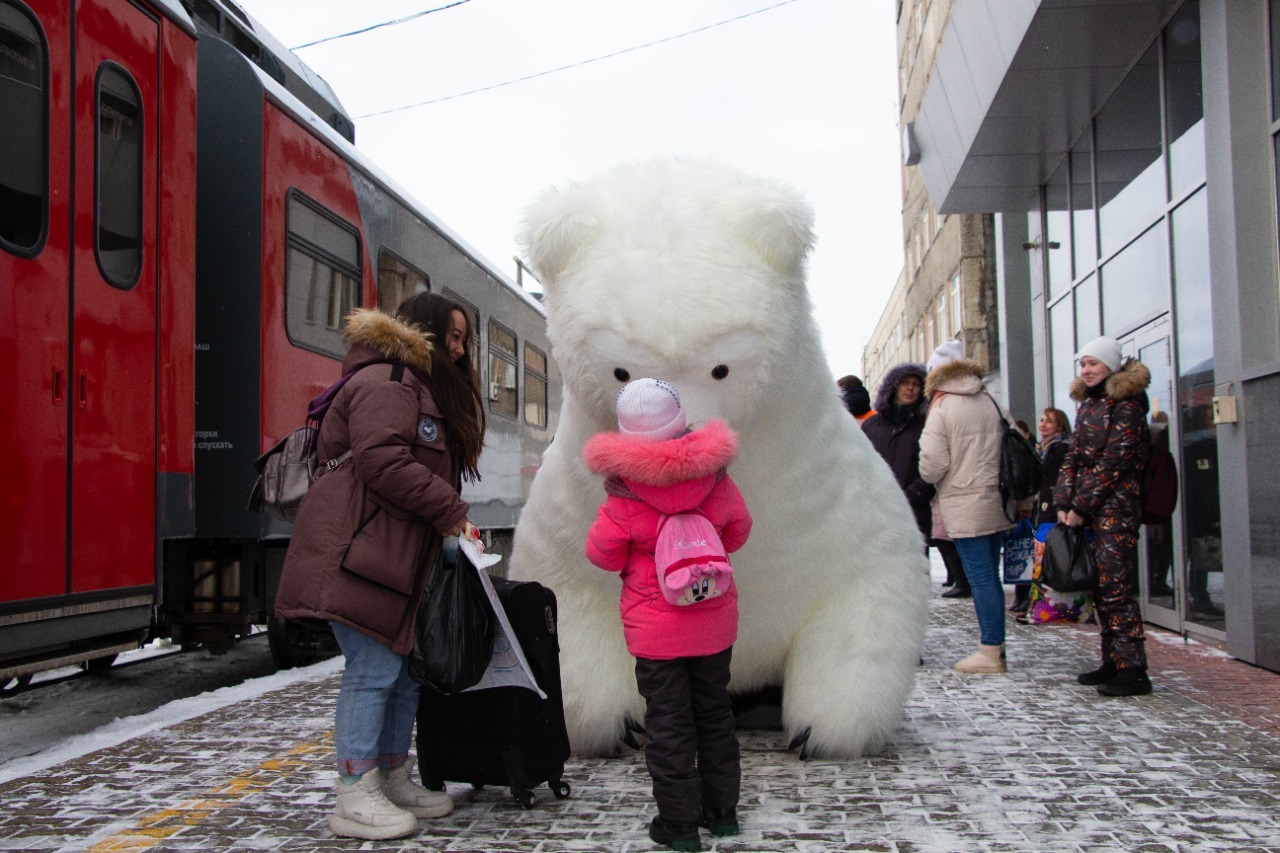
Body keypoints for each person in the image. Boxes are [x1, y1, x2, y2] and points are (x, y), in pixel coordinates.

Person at [275, 292, 487, 840]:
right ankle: (354, 791)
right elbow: (381, 459)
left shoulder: (413, 386)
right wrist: (451, 512)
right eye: (452, 338)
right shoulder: (388, 382)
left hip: (386, 557)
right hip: (358, 555)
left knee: (401, 673)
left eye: (465, 341)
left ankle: (392, 775)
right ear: (424, 332)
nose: (460, 353)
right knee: (373, 672)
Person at [583, 378, 753, 852]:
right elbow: (738, 531)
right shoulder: (716, 477)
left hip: (656, 630)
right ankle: (721, 813)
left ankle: (678, 825)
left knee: (669, 722)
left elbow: (601, 554)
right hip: (713, 619)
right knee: (715, 713)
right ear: (679, 423)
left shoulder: (625, 494)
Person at [1054, 336, 1153, 697]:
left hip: (1117, 510)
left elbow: (1114, 463)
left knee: (1116, 589)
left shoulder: (1126, 407)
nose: (1087, 370)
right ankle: (1112, 660)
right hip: (1088, 511)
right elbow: (1073, 458)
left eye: (1093, 363)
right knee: (1101, 588)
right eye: (1083, 364)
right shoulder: (1089, 406)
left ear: (1110, 366)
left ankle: (1133, 669)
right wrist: (1064, 502)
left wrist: (1081, 507)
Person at [918, 340, 1012, 674]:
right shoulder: (989, 399)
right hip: (997, 500)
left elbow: (931, 465)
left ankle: (990, 651)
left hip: (964, 500)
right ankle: (996, 646)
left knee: (981, 577)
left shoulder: (943, 407)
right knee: (991, 577)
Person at [861, 362, 933, 546]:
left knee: (913, 569)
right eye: (905, 382)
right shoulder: (872, 425)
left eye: (916, 384)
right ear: (893, 386)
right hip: (877, 512)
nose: (910, 388)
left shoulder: (927, 424)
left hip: (913, 512)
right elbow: (861, 464)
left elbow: (933, 466)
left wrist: (911, 495)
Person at [1016, 407, 1072, 621]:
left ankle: (1043, 608)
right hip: (1043, 507)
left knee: (1047, 560)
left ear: (1060, 425)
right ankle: (1039, 606)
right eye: (1041, 420)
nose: (1043, 424)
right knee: (1041, 560)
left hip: (1054, 509)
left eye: (1049, 421)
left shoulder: (1061, 448)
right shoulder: (1043, 447)